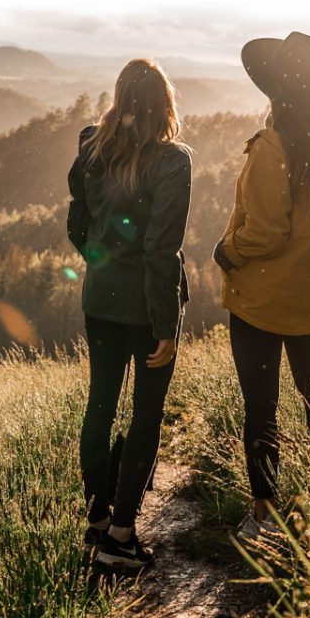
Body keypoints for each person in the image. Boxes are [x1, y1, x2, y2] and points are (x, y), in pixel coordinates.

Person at [214, 32, 310, 541]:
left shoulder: (273, 146)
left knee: (261, 406)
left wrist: (226, 253)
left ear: (276, 93)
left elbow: (265, 230)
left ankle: (263, 515)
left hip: (259, 300)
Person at [67, 59, 191, 570]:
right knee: (145, 415)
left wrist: (103, 266)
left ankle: (98, 523)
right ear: (165, 104)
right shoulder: (173, 161)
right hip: (146, 307)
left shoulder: (91, 145)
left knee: (100, 405)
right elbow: (161, 250)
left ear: (120, 98)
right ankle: (121, 537)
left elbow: (77, 224)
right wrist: (164, 323)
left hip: (101, 301)